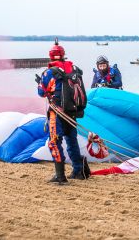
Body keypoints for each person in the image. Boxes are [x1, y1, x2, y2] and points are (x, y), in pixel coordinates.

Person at [37, 39, 90, 184]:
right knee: (71, 140)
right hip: (72, 111)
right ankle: (78, 170)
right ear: (63, 54)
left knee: (54, 142)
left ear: (50, 55)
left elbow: (41, 92)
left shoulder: (49, 72)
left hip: (57, 113)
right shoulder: (73, 69)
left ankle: (60, 175)